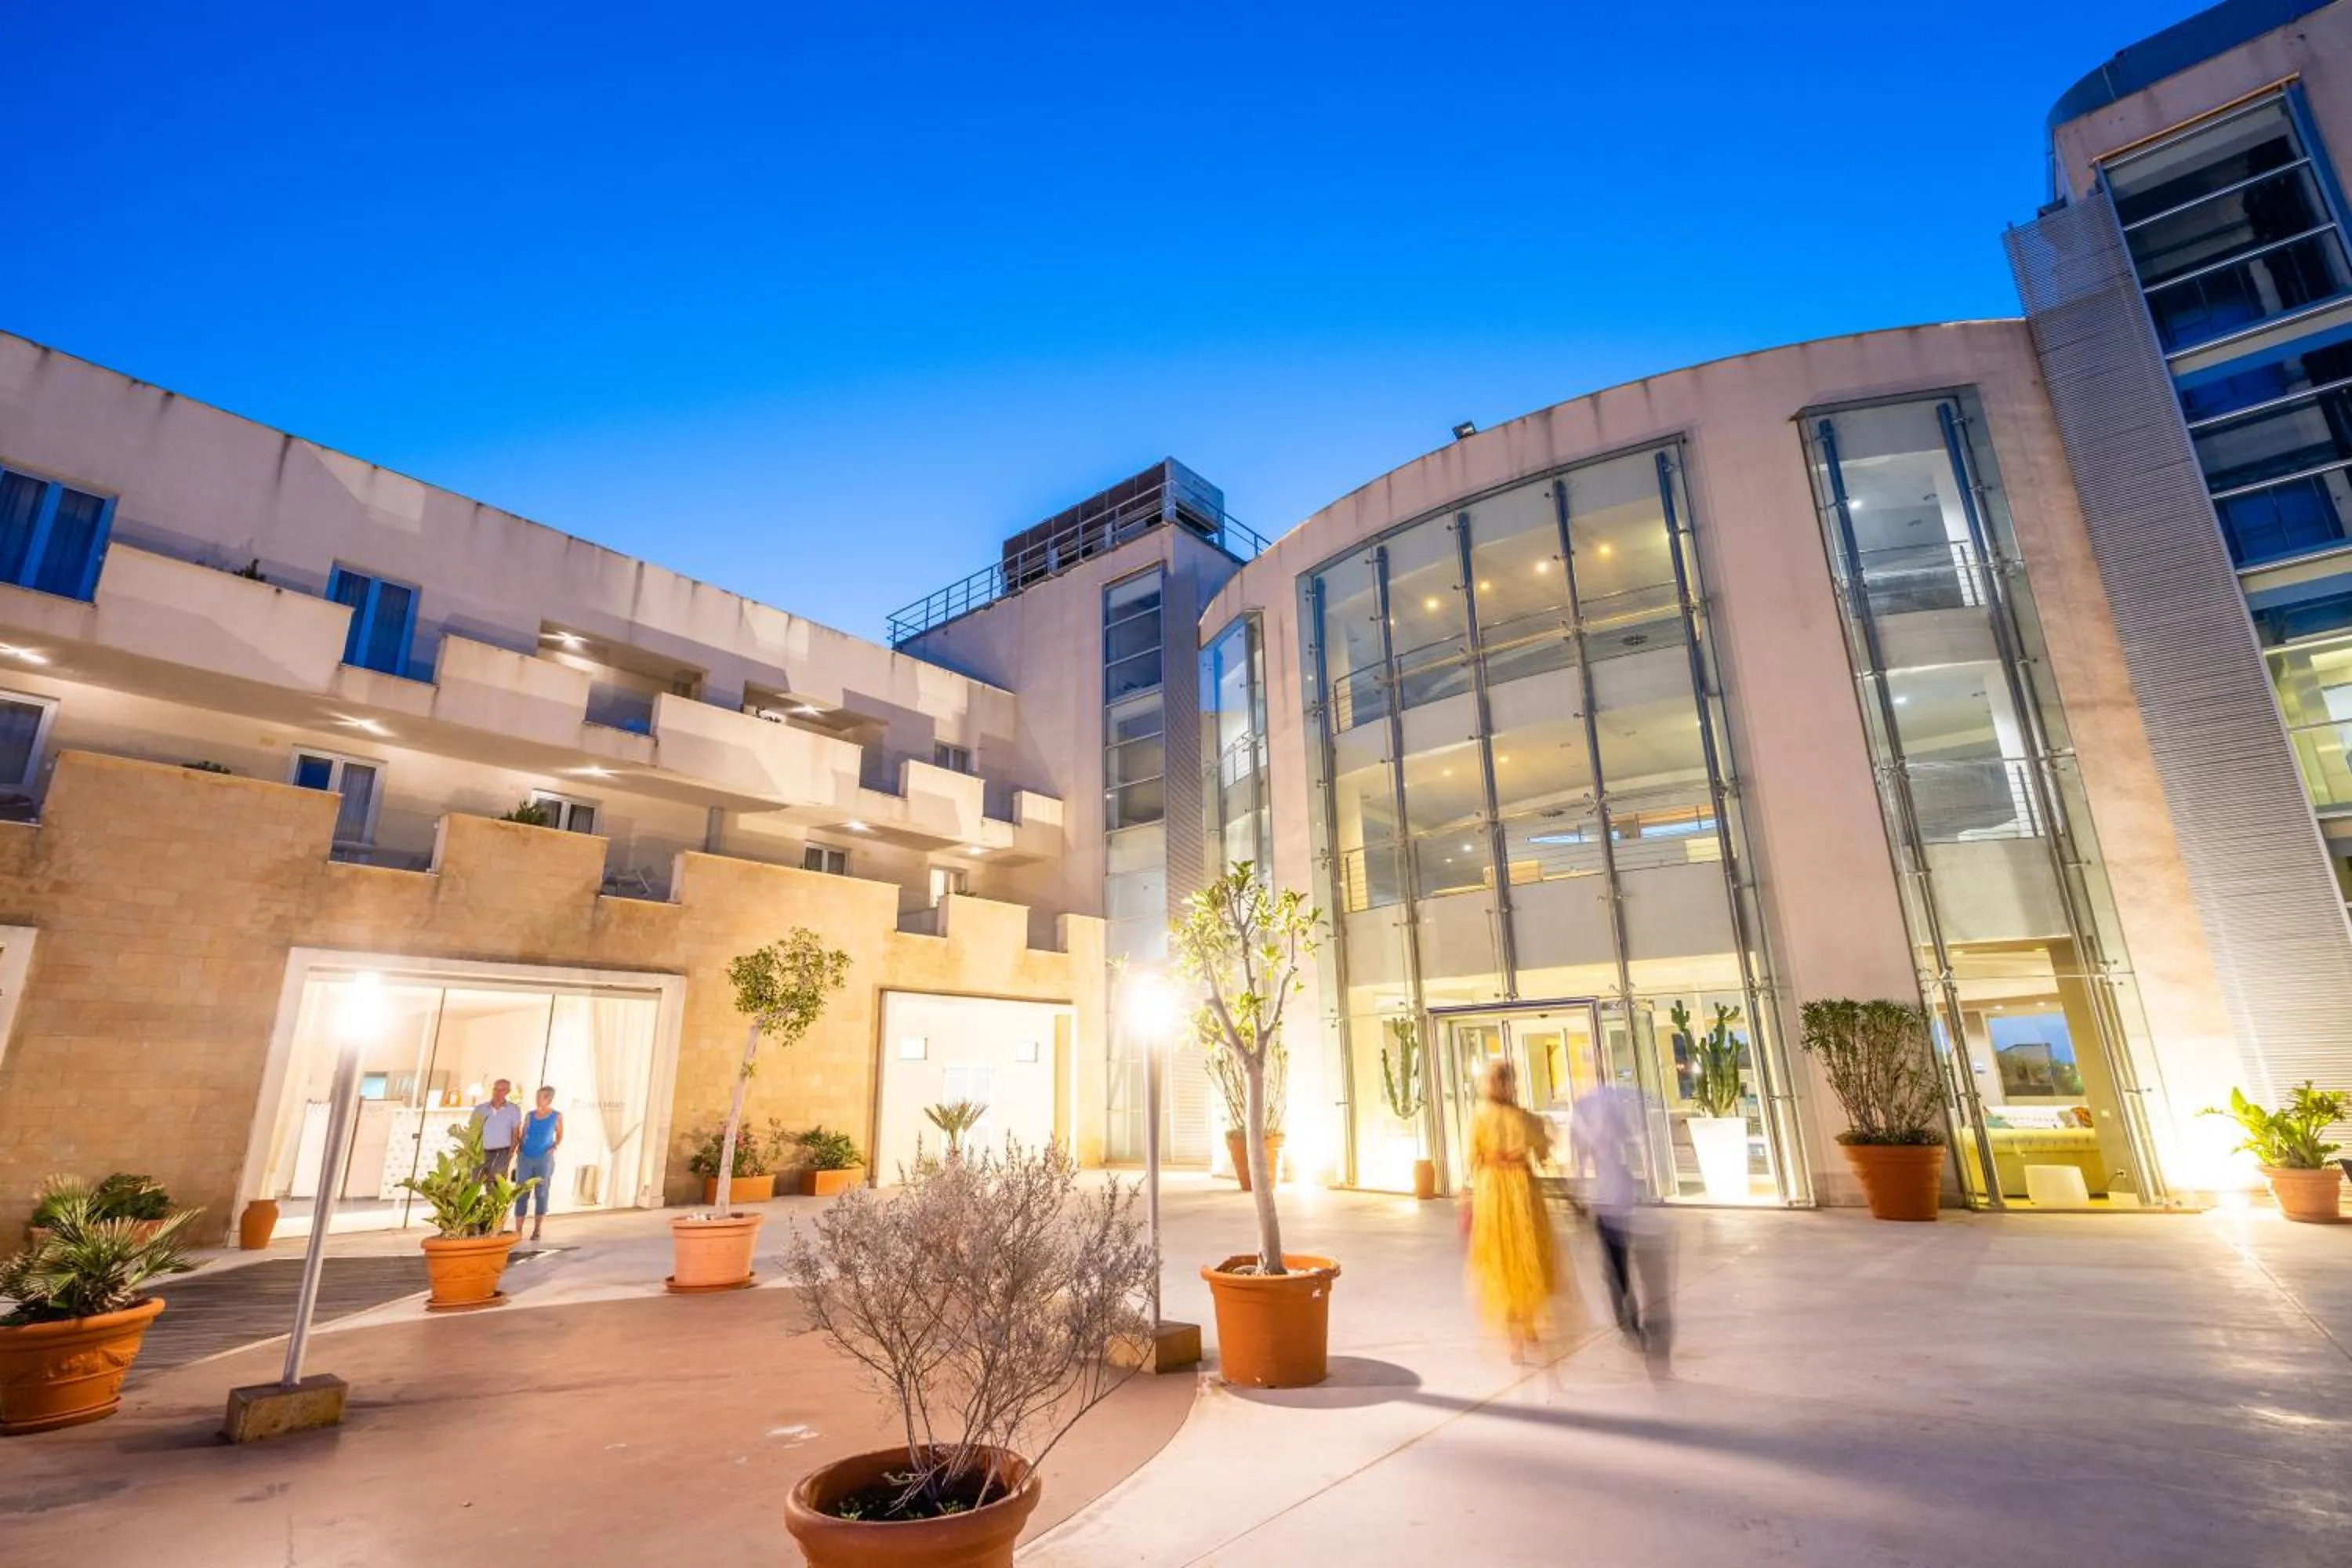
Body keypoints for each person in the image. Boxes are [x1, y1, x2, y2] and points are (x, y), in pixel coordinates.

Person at [1466, 1058, 1561, 1364]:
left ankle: (1521, 1333)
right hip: (1512, 1195)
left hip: (1502, 1195)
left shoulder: (1486, 1117)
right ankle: (1522, 1331)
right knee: (1517, 1260)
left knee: (1513, 1260)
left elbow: (1473, 1158)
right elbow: (1543, 1152)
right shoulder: (1521, 1118)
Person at [1571, 1079, 1671, 1369]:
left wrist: (1577, 1195)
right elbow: (1632, 1148)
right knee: (1621, 1261)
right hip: (1617, 1197)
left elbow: (1580, 1164)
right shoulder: (1608, 1119)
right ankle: (1631, 1322)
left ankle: (1628, 1323)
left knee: (1615, 1266)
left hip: (1610, 1199)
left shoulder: (1588, 1119)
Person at [513, 1086, 563, 1242]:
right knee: (521, 1193)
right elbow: (523, 1133)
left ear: (548, 1098)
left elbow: (560, 1135)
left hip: (544, 1159)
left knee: (541, 1193)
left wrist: (554, 1146)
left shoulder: (556, 1116)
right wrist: (520, 1150)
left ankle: (537, 1229)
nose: (537, 1099)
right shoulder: (530, 1115)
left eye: (540, 1097)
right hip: (525, 1157)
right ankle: (518, 1231)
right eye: (537, 1096)